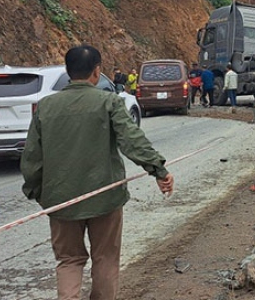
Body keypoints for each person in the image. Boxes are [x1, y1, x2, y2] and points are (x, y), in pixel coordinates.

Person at [20, 45, 174, 300]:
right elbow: (132, 141)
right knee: (106, 259)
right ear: (97, 71)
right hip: (106, 197)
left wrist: (39, 192)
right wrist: (158, 170)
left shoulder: (46, 107)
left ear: (68, 72)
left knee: (69, 260)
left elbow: (32, 158)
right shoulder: (108, 101)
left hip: (61, 200)